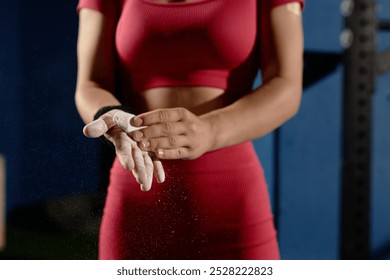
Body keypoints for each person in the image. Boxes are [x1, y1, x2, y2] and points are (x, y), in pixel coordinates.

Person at [75, 0, 304, 259]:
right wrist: (109, 114)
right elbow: (90, 83)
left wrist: (210, 131)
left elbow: (286, 86)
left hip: (232, 201)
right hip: (138, 191)